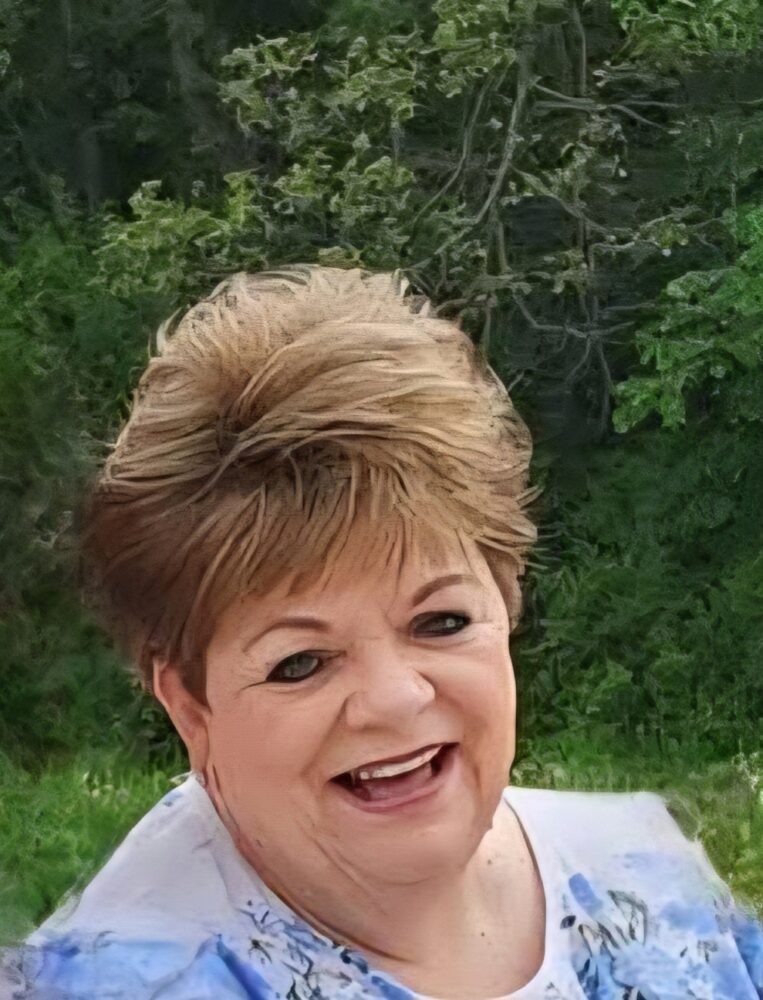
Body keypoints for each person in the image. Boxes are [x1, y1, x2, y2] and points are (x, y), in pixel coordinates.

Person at [9, 266, 763, 999]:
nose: (396, 698)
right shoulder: (122, 982)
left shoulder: (651, 874)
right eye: (301, 662)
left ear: (506, 599)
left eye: (440, 622)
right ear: (189, 705)